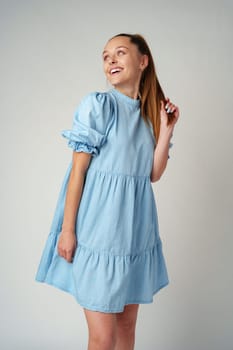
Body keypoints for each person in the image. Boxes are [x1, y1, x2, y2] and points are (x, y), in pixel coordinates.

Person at [35, 33, 180, 350]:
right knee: (103, 338)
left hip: (135, 234)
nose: (111, 60)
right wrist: (68, 230)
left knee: (126, 330)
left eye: (120, 53)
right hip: (99, 232)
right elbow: (78, 172)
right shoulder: (98, 106)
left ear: (143, 61)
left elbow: (152, 174)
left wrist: (167, 129)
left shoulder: (149, 116)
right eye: (105, 56)